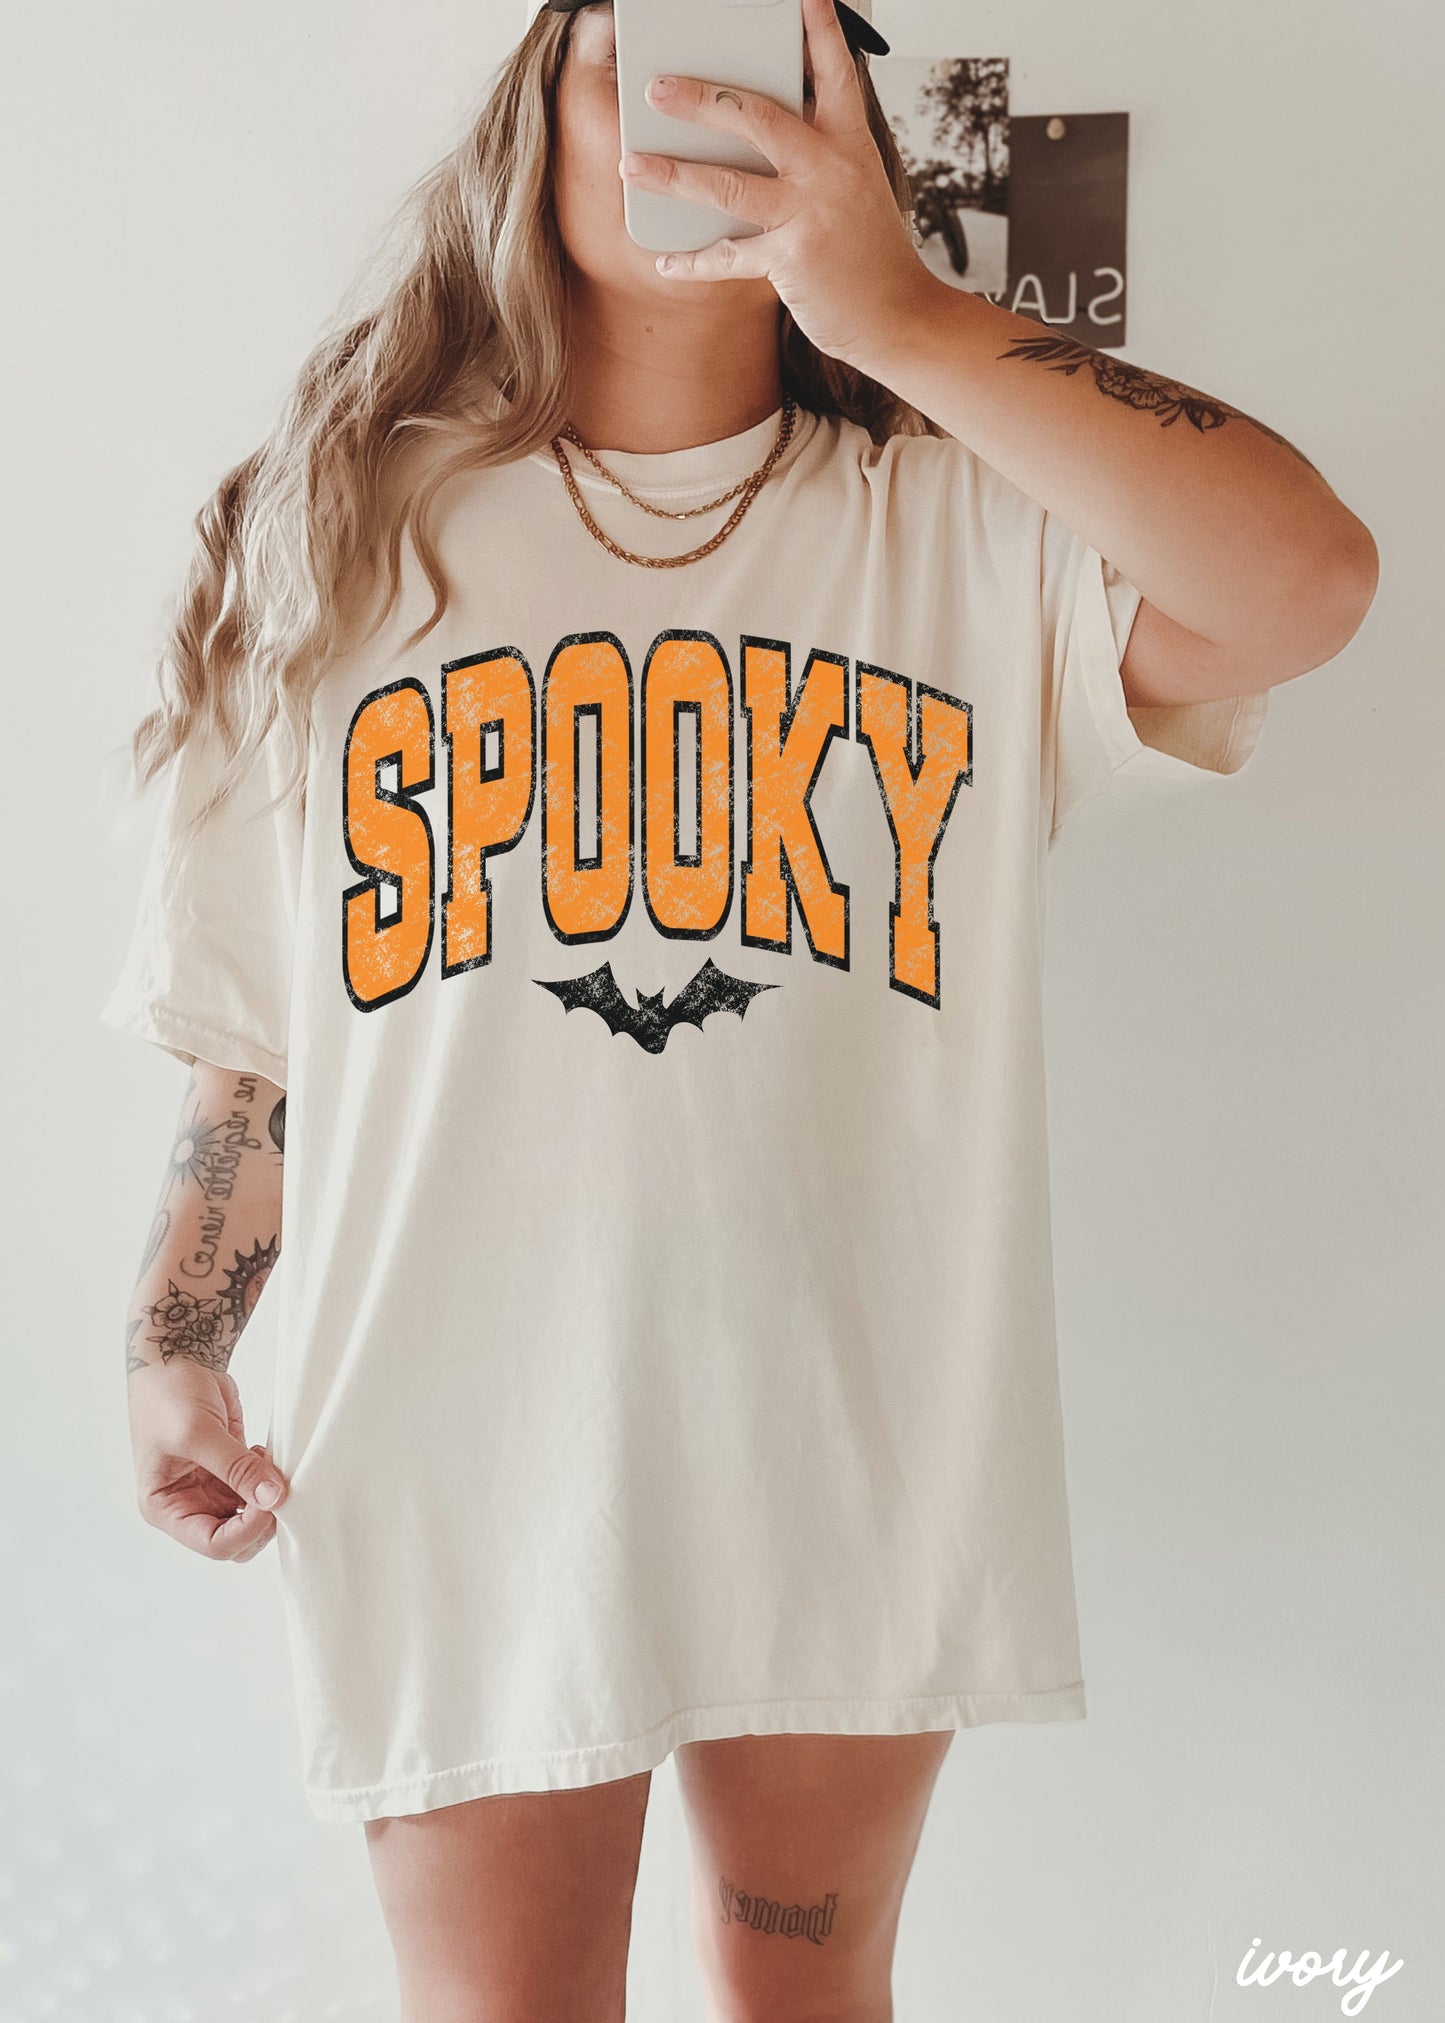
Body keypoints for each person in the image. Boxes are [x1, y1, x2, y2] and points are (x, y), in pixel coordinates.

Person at [100, 0, 1378, 2015]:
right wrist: (174, 1351)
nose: (698, 105)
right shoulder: (339, 535)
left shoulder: (956, 523)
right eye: (640, 52)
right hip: (453, 1432)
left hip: (849, 1423)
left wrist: (902, 317)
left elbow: (1305, 583)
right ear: (532, 122)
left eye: (765, 63)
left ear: (852, 129)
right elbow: (252, 1033)